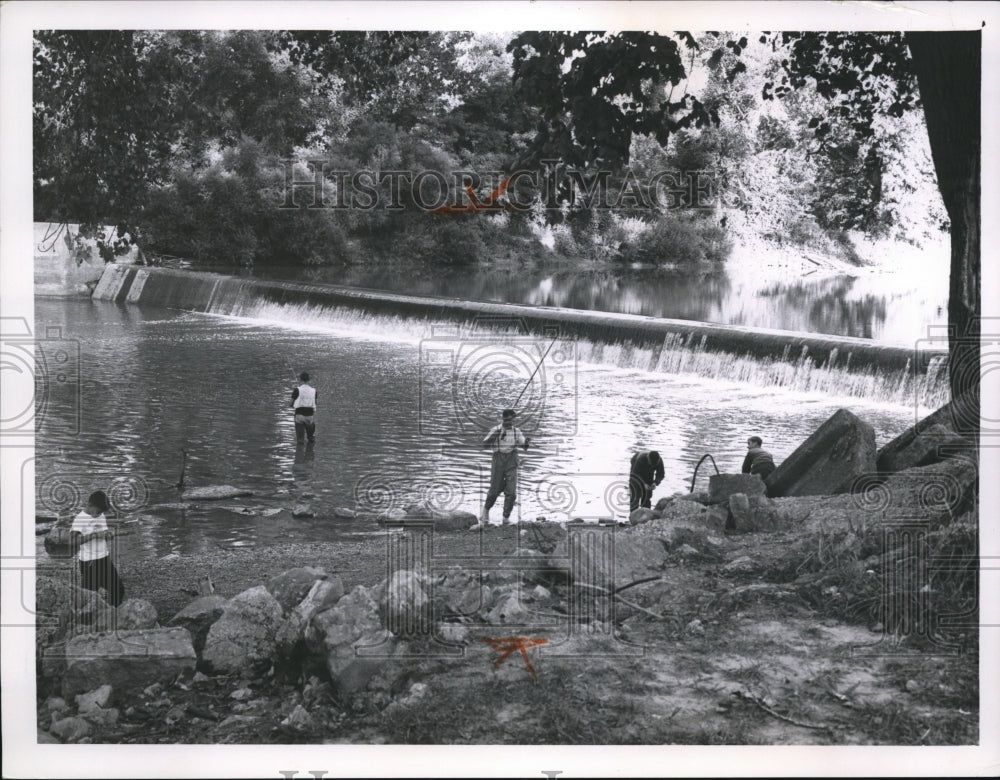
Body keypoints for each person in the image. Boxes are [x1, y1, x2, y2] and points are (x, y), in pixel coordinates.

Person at [70, 490, 125, 606]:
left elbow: (103, 531)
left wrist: (108, 535)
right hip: (89, 562)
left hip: (104, 558)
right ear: (90, 505)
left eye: (101, 512)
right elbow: (73, 541)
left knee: (118, 590)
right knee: (87, 597)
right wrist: (94, 535)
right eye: (98, 511)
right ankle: (87, 619)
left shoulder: (101, 516)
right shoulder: (80, 519)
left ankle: (112, 613)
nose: (100, 514)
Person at [480, 408, 530, 525]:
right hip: (498, 460)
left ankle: (505, 518)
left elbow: (524, 446)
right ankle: (486, 510)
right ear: (503, 419)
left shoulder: (516, 431)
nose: (509, 422)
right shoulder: (495, 429)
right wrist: (494, 436)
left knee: (511, 492)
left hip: (511, 460)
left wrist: (526, 443)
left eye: (511, 420)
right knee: (494, 490)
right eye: (506, 420)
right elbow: (484, 445)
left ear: (513, 420)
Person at [290, 371, 317, 444]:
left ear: (300, 380)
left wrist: (293, 405)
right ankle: (310, 452)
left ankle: (299, 453)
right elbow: (315, 403)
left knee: (300, 440)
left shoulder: (297, 390)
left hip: (299, 416)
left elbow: (291, 403)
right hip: (310, 417)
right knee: (311, 439)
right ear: (309, 380)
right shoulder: (314, 391)